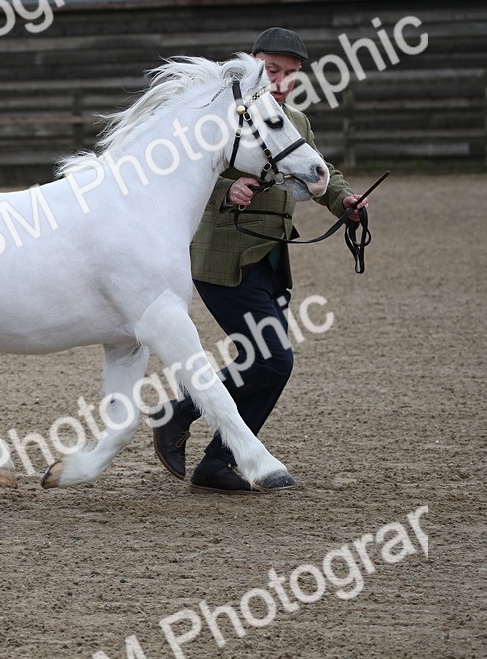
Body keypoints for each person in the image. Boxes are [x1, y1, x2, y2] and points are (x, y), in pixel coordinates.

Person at [151, 27, 369, 494]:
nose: (281, 81)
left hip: (269, 260)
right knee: (273, 361)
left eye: (290, 74)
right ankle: (187, 419)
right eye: (272, 70)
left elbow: (320, 171)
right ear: (252, 63)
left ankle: (212, 457)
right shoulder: (218, 121)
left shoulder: (294, 121)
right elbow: (175, 179)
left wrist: (345, 202)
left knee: (259, 362)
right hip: (222, 260)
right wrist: (223, 190)